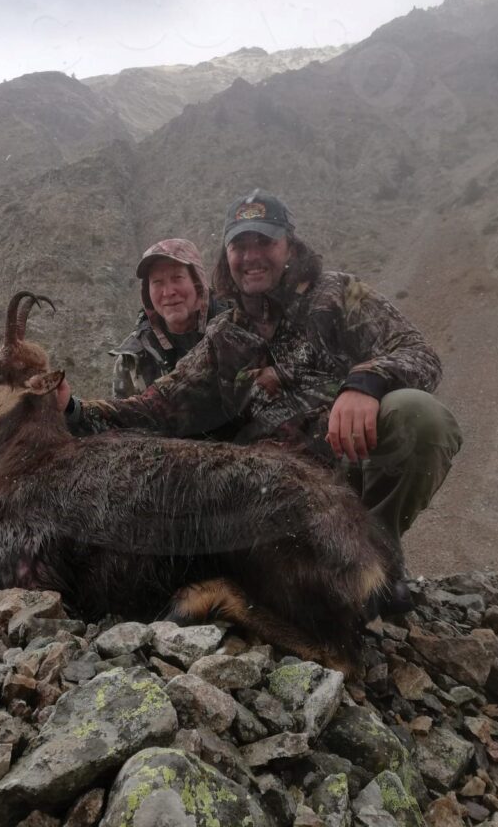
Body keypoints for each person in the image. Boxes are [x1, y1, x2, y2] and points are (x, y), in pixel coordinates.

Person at [61, 190, 462, 612]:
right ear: (226, 257)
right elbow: (153, 408)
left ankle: (372, 566)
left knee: (419, 416)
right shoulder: (223, 336)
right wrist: (71, 409)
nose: (251, 256)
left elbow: (419, 353)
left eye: (264, 242)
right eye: (239, 245)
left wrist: (365, 383)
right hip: (275, 503)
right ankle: (294, 586)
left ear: (290, 245)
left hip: (349, 475)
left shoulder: (339, 295)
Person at [110, 239, 226, 399]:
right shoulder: (132, 359)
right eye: (157, 282)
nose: (168, 292)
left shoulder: (236, 331)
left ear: (197, 282)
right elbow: (124, 420)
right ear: (147, 292)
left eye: (177, 278)